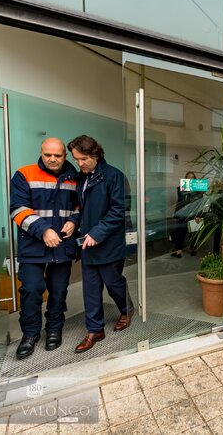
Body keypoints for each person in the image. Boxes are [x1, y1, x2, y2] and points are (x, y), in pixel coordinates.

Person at [10, 138, 79, 359]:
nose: (52, 159)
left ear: (64, 156)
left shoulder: (75, 178)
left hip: (62, 246)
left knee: (58, 291)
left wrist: (74, 221)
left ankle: (54, 329)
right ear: (41, 153)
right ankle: (30, 334)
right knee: (31, 290)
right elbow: (18, 209)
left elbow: (80, 207)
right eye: (48, 155)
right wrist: (44, 230)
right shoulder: (24, 174)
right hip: (33, 246)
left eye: (57, 155)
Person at [68, 135, 134, 353]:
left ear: (96, 154)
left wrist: (97, 232)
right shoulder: (81, 179)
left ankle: (126, 309)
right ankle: (94, 330)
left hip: (109, 243)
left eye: (84, 159)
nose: (80, 163)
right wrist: (74, 223)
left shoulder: (114, 176)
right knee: (90, 289)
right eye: (76, 159)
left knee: (114, 283)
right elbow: (81, 208)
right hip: (88, 244)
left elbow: (119, 210)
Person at [171, 171, 201, 258]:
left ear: (194, 179)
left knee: (193, 233)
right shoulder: (181, 189)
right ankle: (178, 251)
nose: (190, 178)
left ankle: (193, 249)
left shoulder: (198, 190)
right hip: (182, 214)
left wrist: (198, 215)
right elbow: (179, 202)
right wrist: (176, 214)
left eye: (192, 177)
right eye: (188, 177)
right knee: (179, 233)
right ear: (186, 178)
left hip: (194, 214)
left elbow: (200, 203)